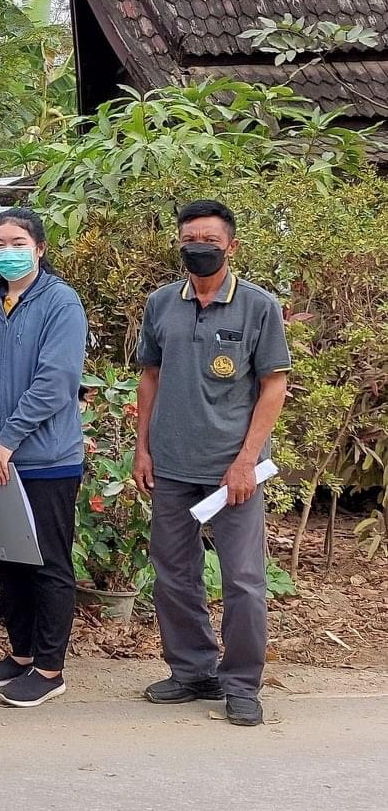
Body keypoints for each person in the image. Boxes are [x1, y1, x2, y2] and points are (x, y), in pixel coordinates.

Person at [136, 200, 290, 728]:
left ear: (231, 246)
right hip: (172, 466)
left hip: (232, 473)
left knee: (244, 579)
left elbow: (274, 386)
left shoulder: (258, 307)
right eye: (189, 239)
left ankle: (242, 684)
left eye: (209, 240)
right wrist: (143, 447)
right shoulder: (161, 304)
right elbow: (149, 376)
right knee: (174, 574)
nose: (198, 248)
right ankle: (192, 671)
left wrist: (246, 460)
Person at [0, 207, 89, 709]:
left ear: (39, 248)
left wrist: (6, 440)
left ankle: (50, 668)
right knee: (9, 557)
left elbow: (56, 382)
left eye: (17, 243)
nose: (6, 251)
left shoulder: (60, 302)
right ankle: (20, 654)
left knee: (48, 563)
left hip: (45, 457)